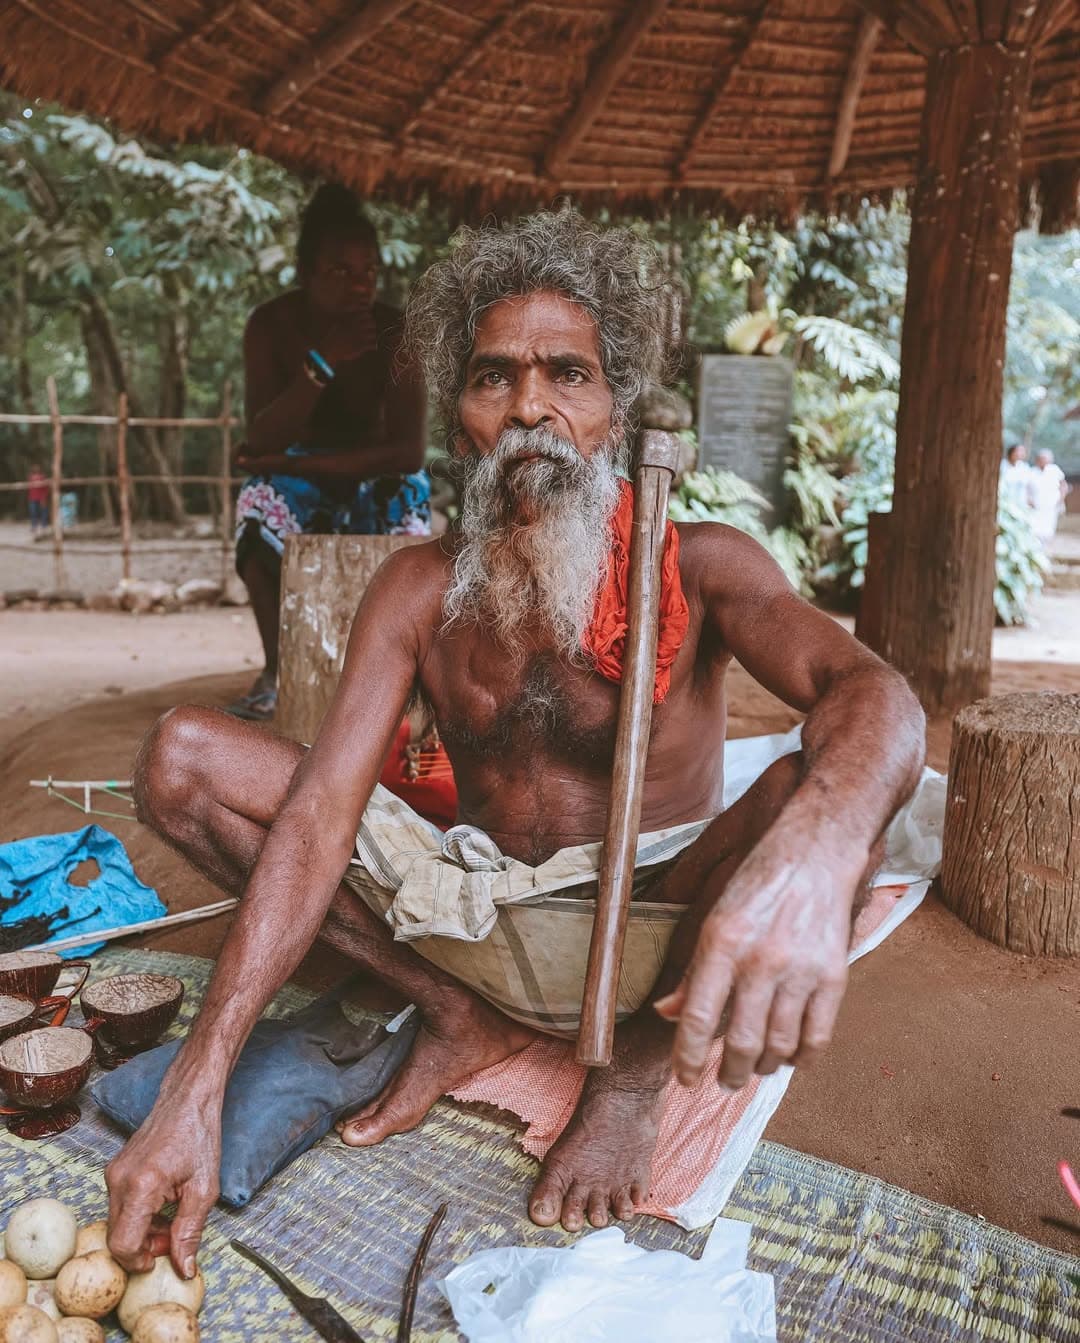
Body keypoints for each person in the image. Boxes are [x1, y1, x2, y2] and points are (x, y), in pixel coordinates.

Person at [104, 210, 925, 1275]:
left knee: (836, 788)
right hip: (477, 912)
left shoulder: (702, 562)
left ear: (613, 407)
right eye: (494, 376)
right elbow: (316, 819)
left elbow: (878, 694)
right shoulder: (416, 588)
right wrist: (195, 1083)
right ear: (459, 416)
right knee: (180, 754)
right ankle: (455, 1016)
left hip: (661, 926)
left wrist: (816, 855)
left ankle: (628, 1074)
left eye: (566, 375)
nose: (529, 405)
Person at [230, 184, 430, 720]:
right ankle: (277, 671)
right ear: (306, 272)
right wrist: (323, 365)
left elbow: (408, 454)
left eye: (368, 270)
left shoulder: (397, 331)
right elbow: (263, 439)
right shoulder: (271, 326)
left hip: (374, 472)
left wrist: (291, 465)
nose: (359, 285)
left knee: (409, 512)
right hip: (298, 474)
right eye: (340, 271)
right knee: (258, 508)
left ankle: (404, 680)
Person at [1027, 448, 1070, 547]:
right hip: (1036, 505)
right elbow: (1027, 488)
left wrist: (1061, 499)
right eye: (1041, 459)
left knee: (1048, 527)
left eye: (1046, 459)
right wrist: (1029, 499)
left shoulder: (1055, 470)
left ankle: (1045, 547)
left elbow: (1063, 485)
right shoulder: (1032, 471)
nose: (1044, 461)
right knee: (1035, 528)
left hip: (1051, 504)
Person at [999, 442, 1032, 510]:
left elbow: (1027, 486)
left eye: (1022, 451)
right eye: (1018, 451)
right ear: (1011, 452)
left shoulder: (1024, 468)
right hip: (1003, 500)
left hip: (1019, 504)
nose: (1019, 454)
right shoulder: (1002, 465)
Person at [26, 464, 48, 537]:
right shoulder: (30, 477)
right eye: (34, 467)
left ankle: (44, 526)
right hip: (32, 498)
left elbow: (45, 489)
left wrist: (44, 498)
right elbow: (29, 489)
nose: (36, 468)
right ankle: (34, 526)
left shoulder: (42, 477)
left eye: (37, 467)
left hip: (41, 498)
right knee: (33, 513)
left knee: (43, 512)